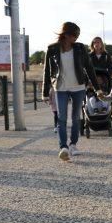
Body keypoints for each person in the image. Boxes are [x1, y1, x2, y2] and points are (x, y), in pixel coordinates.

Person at [41, 22, 98, 162]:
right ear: (66, 34)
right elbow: (47, 72)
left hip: (78, 87)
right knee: (61, 118)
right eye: (75, 35)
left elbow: (89, 68)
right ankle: (63, 148)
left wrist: (97, 87)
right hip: (60, 88)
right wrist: (44, 91)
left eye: (78, 35)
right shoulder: (52, 49)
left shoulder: (80, 48)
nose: (77, 38)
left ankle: (73, 144)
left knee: (75, 117)